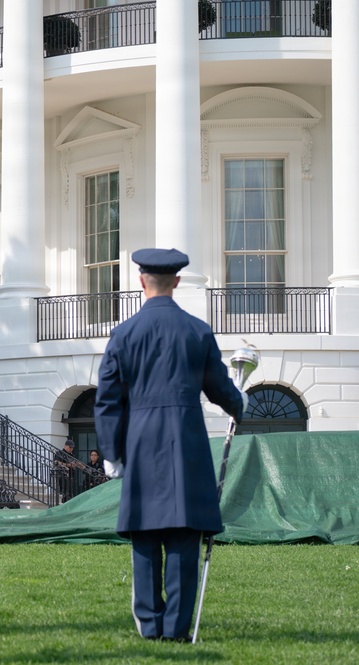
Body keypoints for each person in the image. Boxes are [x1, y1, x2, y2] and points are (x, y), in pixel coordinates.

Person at [95, 247, 247, 643]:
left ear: (141, 281)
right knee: (184, 535)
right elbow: (219, 389)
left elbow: (107, 400)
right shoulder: (198, 330)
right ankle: (176, 629)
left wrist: (111, 452)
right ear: (176, 281)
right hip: (186, 444)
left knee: (145, 534)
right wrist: (239, 402)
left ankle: (150, 626)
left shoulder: (124, 333)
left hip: (141, 444)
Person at [52, 438, 82, 503]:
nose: (71, 449)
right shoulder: (59, 453)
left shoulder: (71, 455)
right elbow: (57, 462)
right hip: (62, 476)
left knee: (70, 493)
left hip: (70, 476)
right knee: (63, 493)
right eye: (70, 447)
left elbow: (75, 463)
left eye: (72, 448)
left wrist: (77, 465)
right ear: (65, 446)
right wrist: (68, 465)